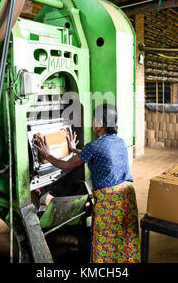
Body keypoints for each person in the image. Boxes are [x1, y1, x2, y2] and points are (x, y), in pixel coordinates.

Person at [35, 103, 141, 263]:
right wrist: (73, 150)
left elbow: (65, 166)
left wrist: (47, 155)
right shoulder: (119, 142)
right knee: (123, 237)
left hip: (110, 201)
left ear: (100, 123)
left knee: (106, 240)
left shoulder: (95, 145)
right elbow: (98, 155)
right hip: (126, 196)